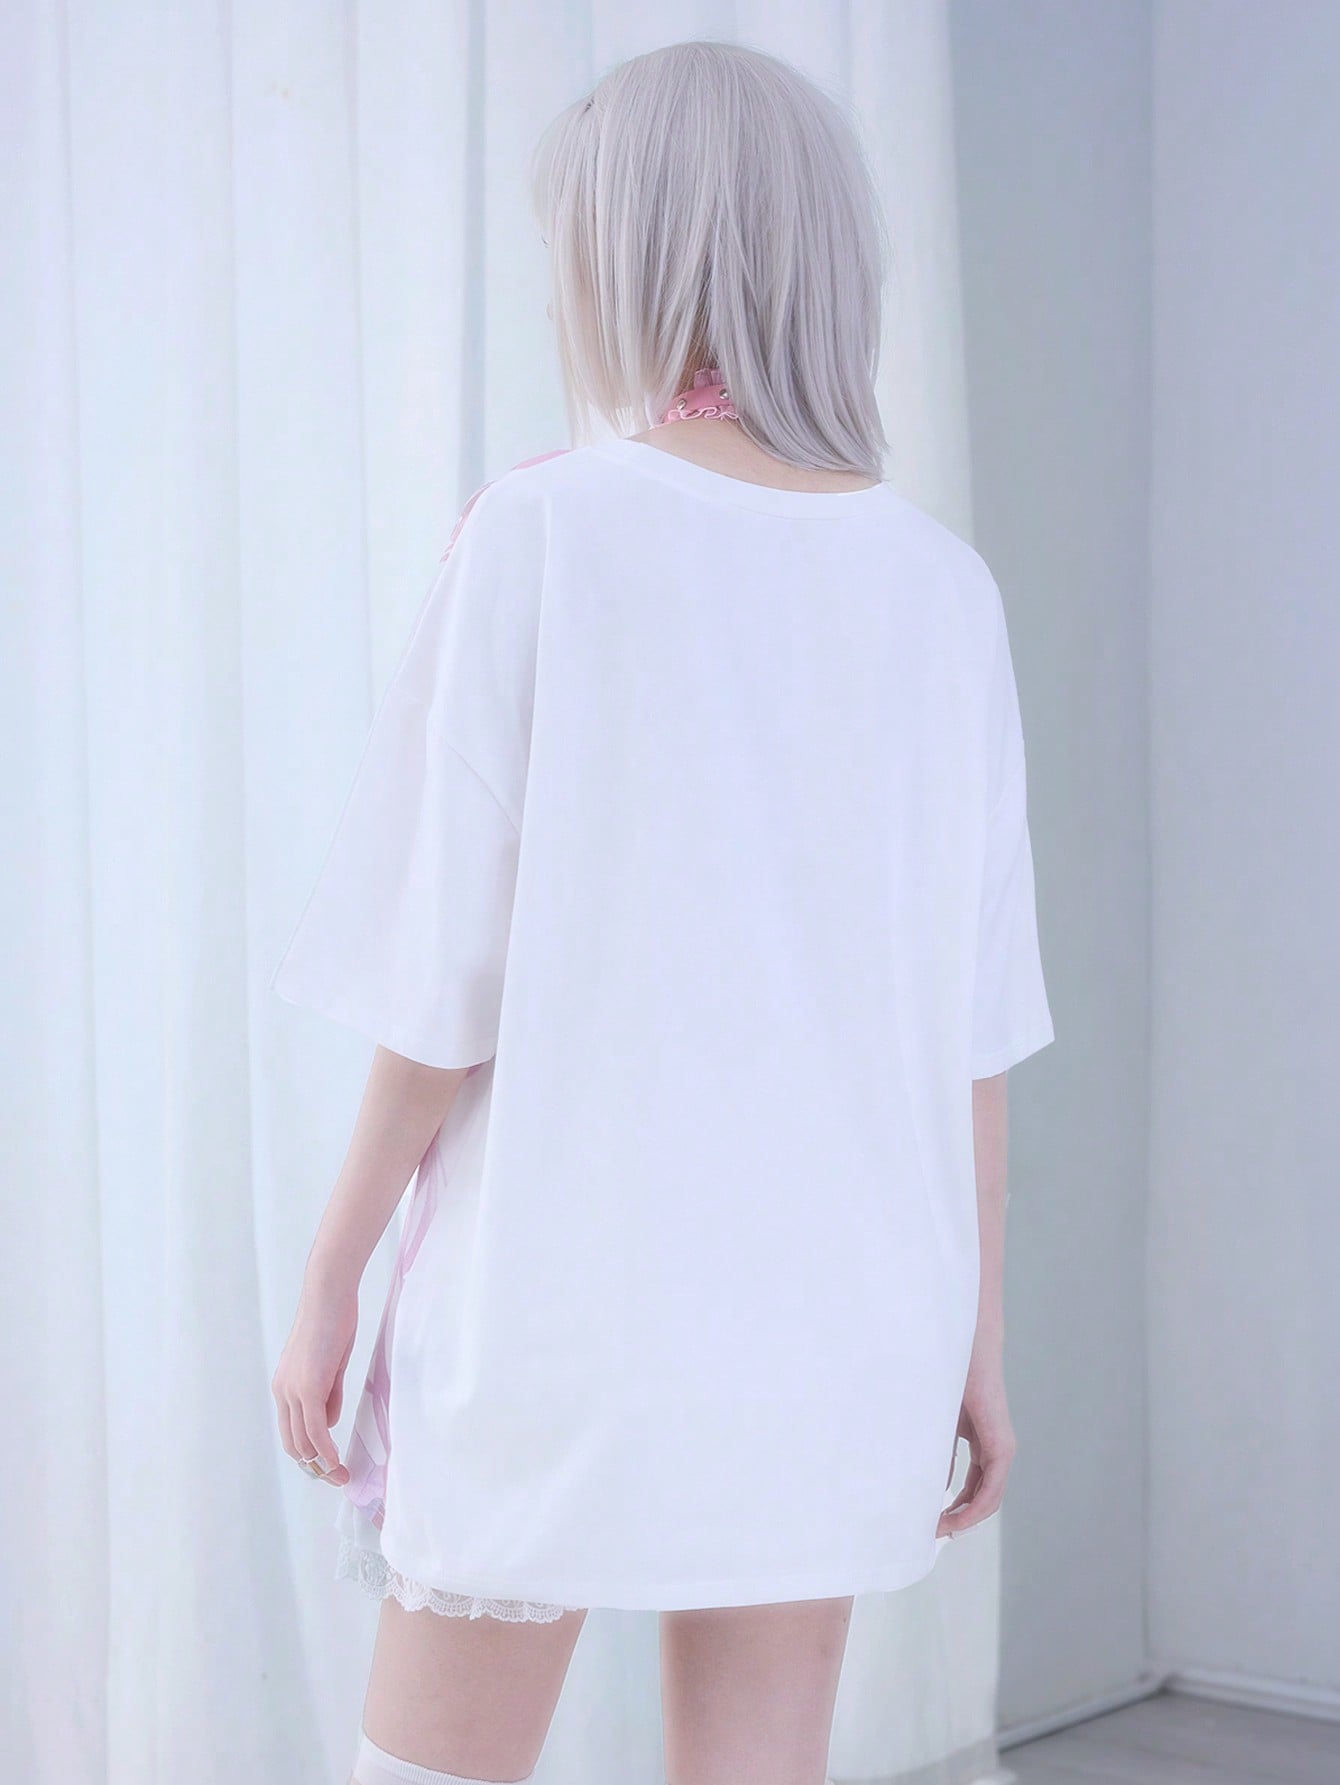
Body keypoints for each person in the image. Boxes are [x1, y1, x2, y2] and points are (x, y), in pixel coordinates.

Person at [269, 38, 1054, 1785]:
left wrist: (329, 1276)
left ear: (626, 255)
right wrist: (977, 1341)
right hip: (846, 1318)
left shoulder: (545, 532)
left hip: (561, 1313)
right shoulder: (945, 592)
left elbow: (442, 988)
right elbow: (974, 1032)